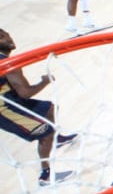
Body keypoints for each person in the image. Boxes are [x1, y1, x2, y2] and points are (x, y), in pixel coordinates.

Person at [0, 28, 77, 186]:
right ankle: (46, 175)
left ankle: (57, 139)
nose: (9, 38)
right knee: (45, 133)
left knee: (49, 109)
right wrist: (45, 81)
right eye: (2, 37)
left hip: (10, 99)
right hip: (4, 110)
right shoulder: (8, 65)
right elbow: (25, 93)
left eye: (6, 34)